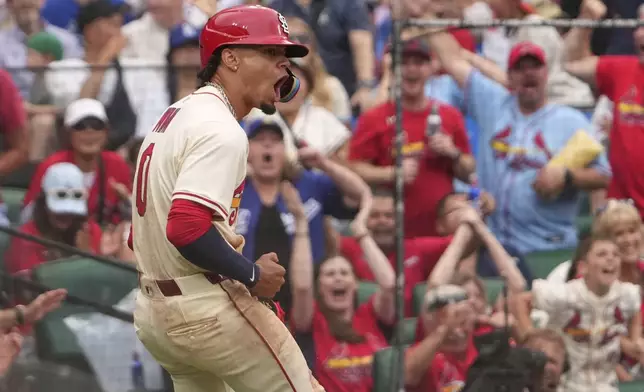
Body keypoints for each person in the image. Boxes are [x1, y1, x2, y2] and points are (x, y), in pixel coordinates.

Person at [131, 6, 324, 392]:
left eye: (285, 60)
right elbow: (185, 227)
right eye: (270, 55)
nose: (283, 69)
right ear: (230, 57)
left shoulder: (173, 116)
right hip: (204, 309)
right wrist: (251, 274)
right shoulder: (222, 129)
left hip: (155, 313)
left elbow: (136, 237)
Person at [419, 15, 611, 254]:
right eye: (520, 68)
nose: (528, 73)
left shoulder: (570, 121)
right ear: (509, 77)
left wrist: (567, 176)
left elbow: (604, 176)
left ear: (546, 74)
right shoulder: (493, 103)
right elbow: (452, 59)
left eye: (534, 66)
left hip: (549, 246)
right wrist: (421, 17)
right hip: (495, 245)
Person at [349, 38, 485, 238]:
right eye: (404, 63)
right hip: (390, 233)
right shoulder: (374, 118)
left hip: (440, 232)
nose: (411, 69)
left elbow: (468, 171)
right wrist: (391, 173)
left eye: (419, 63)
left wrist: (452, 153)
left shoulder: (449, 115)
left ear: (430, 68)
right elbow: (354, 169)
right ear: (393, 70)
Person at [286, 180, 394, 392]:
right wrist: (301, 223)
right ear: (319, 286)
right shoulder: (312, 320)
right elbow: (302, 287)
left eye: (345, 273)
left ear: (355, 284)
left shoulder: (371, 315)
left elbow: (389, 285)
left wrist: (361, 233)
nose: (338, 278)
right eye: (329, 274)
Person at [511, 235, 642, 392]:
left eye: (615, 255)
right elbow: (519, 301)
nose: (610, 259)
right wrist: (532, 338)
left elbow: (635, 308)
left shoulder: (627, 294)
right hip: (566, 384)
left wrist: (634, 340)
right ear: (583, 267)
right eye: (602, 254)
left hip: (606, 385)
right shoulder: (565, 295)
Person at [564, 1, 644, 220]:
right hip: (622, 216)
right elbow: (572, 63)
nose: (638, 34)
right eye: (637, 26)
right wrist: (586, 20)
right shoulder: (623, 69)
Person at [21, 98, 132, 226]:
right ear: (68, 133)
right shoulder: (52, 166)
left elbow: (133, 216)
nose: (89, 131)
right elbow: (27, 216)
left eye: (97, 125)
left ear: (106, 132)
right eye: (80, 126)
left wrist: (126, 200)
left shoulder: (117, 164)